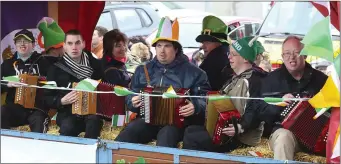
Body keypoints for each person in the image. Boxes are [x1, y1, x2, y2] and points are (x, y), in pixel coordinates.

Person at [114, 17, 211, 148]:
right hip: (147, 120)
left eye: (167, 46)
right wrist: (132, 100)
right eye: (159, 45)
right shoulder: (142, 70)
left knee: (166, 137)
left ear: (176, 49)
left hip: (176, 124)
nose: (162, 50)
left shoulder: (196, 73)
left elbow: (207, 100)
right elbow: (131, 95)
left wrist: (195, 106)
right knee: (129, 133)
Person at [183, 36, 266, 153]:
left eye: (234, 54)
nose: (229, 57)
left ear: (245, 58)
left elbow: (256, 108)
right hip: (228, 132)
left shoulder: (255, 80)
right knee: (190, 130)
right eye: (229, 53)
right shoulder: (234, 77)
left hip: (241, 138)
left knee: (193, 138)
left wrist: (241, 127)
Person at [256, 35, 328, 160]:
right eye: (287, 54)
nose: (291, 58)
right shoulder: (271, 80)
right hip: (284, 132)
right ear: (282, 56)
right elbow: (260, 111)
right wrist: (279, 104)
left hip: (316, 136)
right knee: (284, 138)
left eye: (296, 53)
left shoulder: (321, 80)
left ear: (305, 55)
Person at [44, 29, 104, 139]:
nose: (74, 47)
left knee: (94, 121)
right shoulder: (55, 69)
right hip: (68, 113)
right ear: (64, 46)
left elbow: (106, 88)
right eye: (70, 43)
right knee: (67, 127)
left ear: (83, 44)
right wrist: (61, 101)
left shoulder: (96, 65)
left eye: (77, 43)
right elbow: (47, 97)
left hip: (92, 112)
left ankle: (90, 153)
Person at [1, 29, 51, 133]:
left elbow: (54, 84)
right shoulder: (7, 64)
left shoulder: (44, 62)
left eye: (26, 41)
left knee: (39, 121)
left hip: (37, 109)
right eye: (19, 41)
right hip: (15, 108)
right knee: (2, 112)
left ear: (33, 44)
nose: (22, 44)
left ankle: (37, 148)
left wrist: (41, 82)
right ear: (15, 44)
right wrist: (7, 84)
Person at [196, 15, 233, 91]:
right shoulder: (227, 54)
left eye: (207, 42)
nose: (203, 46)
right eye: (203, 42)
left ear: (219, 43)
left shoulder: (213, 62)